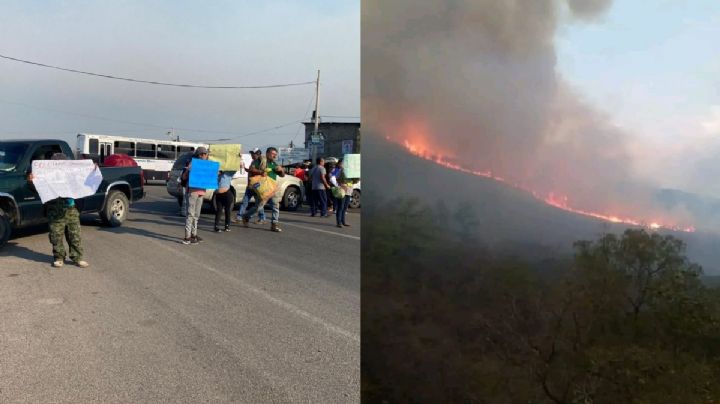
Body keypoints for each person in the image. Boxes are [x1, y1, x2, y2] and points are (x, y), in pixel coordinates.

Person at [27, 152, 89, 268]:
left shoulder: (72, 174)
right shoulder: (46, 175)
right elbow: (36, 188)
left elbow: (84, 180)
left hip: (71, 210)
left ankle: (78, 258)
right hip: (54, 210)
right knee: (56, 236)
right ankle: (59, 257)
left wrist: (92, 169)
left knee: (75, 235)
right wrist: (31, 181)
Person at [241, 147, 285, 232]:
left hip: (272, 188)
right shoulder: (260, 161)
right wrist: (261, 172)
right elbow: (251, 169)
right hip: (263, 188)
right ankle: (246, 216)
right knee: (258, 207)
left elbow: (282, 175)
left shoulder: (274, 164)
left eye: (276, 155)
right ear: (268, 153)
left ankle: (274, 224)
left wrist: (281, 170)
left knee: (276, 206)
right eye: (273, 154)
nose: (274, 156)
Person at [181, 147, 209, 245]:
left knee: (196, 215)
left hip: (201, 192)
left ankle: (194, 235)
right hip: (192, 192)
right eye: (205, 154)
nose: (206, 156)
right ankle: (187, 237)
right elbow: (184, 177)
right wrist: (188, 171)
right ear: (200, 155)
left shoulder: (207, 165)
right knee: (190, 214)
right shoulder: (193, 164)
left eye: (206, 154)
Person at [234, 148, 267, 224]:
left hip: (257, 186)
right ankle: (239, 217)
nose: (252, 155)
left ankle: (262, 218)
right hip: (250, 185)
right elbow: (251, 170)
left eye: (253, 153)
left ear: (258, 154)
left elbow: (262, 172)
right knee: (245, 202)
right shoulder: (253, 161)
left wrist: (252, 170)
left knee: (258, 204)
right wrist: (246, 169)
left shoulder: (262, 161)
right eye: (252, 153)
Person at [330, 158, 353, 228]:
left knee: (345, 207)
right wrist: (340, 184)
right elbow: (334, 178)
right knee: (340, 207)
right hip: (342, 191)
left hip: (349, 190)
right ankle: (338, 222)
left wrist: (356, 179)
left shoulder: (351, 171)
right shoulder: (340, 171)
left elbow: (353, 181)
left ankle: (343, 221)